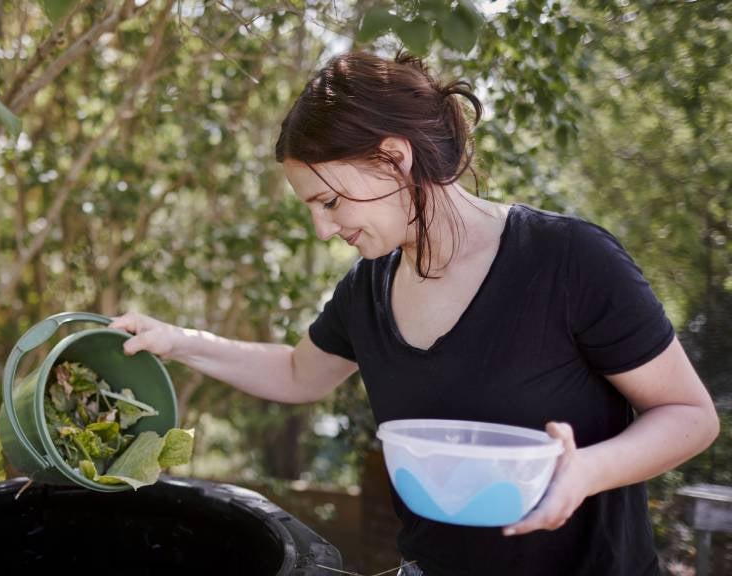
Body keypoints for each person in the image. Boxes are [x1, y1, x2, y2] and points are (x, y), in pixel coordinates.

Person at [109, 51, 720, 576]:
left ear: (394, 158)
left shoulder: (568, 259)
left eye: (328, 201)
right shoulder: (366, 289)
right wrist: (176, 341)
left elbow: (690, 416)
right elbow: (298, 374)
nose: (324, 229)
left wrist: (587, 469)